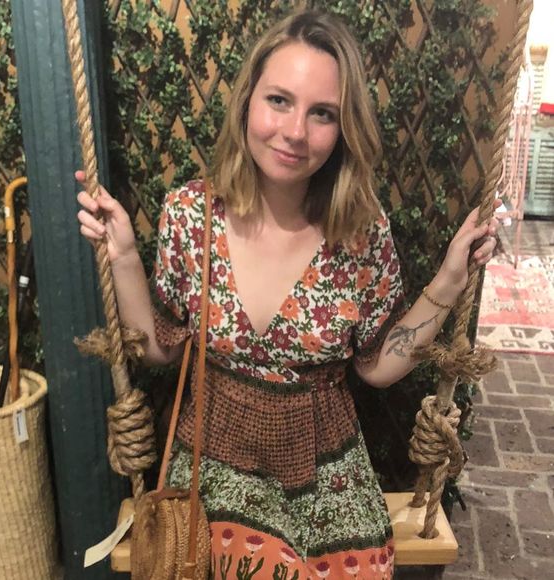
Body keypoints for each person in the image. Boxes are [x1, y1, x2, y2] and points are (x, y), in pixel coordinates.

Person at [77, 9, 499, 579]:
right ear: (247, 101)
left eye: (322, 113)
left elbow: (377, 367)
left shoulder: (360, 231)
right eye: (279, 100)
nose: (296, 131)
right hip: (212, 457)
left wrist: (449, 278)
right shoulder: (192, 214)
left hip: (326, 472)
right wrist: (126, 256)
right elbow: (160, 350)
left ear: (344, 128)